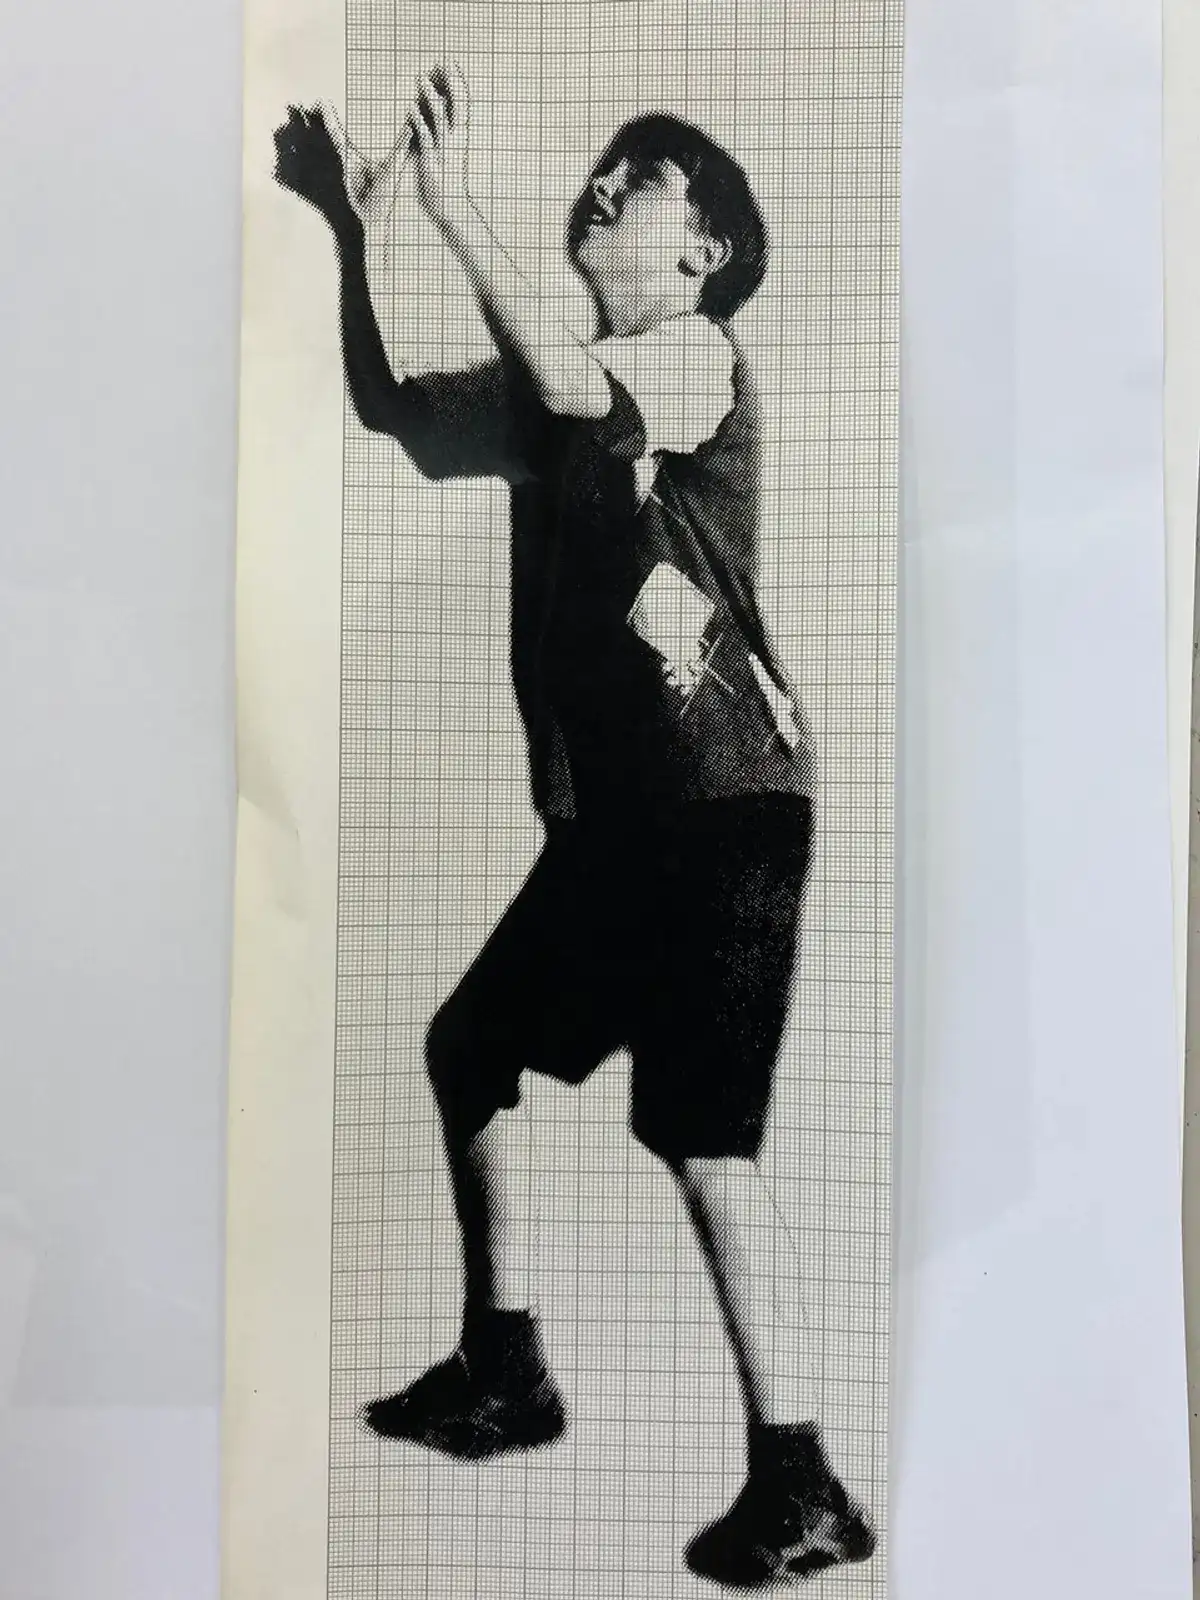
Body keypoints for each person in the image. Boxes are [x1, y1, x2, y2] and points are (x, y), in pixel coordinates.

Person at [273, 65, 875, 1589]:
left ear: (702, 252)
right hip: (620, 829)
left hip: (728, 806)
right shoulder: (559, 388)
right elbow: (395, 414)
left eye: (643, 175)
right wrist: (352, 232)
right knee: (472, 1049)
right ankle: (507, 1371)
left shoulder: (695, 356)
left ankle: (802, 1486)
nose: (605, 180)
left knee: (705, 1141)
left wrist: (447, 202)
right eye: (606, 164)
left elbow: (570, 390)